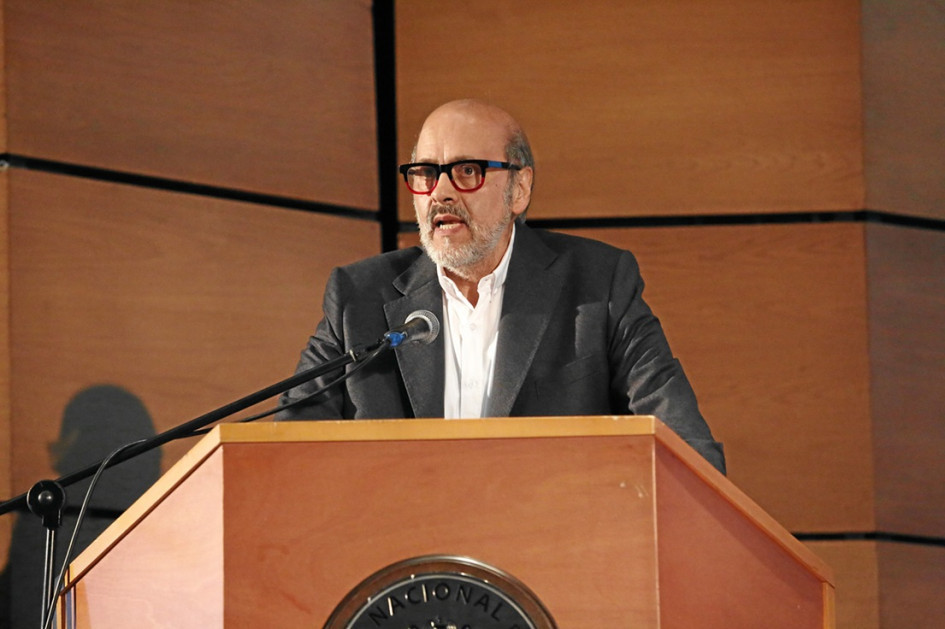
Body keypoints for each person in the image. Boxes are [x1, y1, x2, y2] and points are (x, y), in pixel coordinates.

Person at [279, 99, 725, 474]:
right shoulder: (357, 297)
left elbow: (687, 450)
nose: (440, 193)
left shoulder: (598, 284)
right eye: (426, 173)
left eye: (466, 171)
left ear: (519, 189)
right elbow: (285, 452)